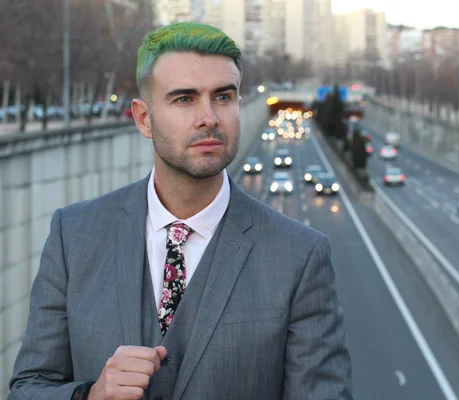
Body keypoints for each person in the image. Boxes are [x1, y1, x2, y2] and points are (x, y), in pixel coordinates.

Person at [8, 22, 352, 400]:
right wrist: (87, 396)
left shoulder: (300, 255)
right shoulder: (73, 235)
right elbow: (28, 388)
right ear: (143, 118)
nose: (209, 117)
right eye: (184, 99)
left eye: (222, 96)